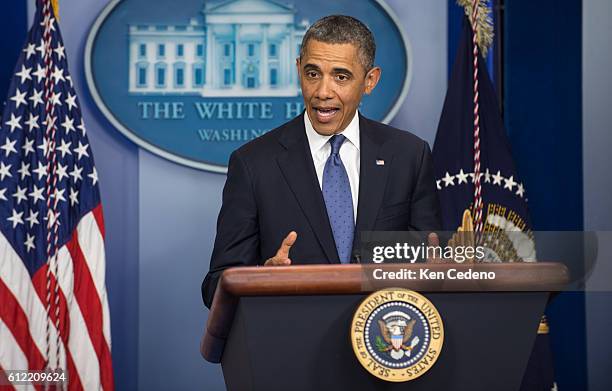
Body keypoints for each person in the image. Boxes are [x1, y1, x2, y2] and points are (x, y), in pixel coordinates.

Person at [202, 15, 441, 308]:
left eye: (340, 77)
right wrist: (261, 279)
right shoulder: (253, 164)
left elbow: (432, 266)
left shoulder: (408, 156)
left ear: (370, 81)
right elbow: (215, 285)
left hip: (382, 341)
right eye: (313, 73)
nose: (322, 92)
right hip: (293, 343)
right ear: (298, 69)